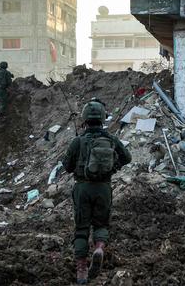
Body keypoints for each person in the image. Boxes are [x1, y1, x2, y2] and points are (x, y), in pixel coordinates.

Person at [62, 99, 132, 285]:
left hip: (83, 188)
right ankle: (99, 247)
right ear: (102, 118)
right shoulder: (111, 139)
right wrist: (113, 168)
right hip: (103, 188)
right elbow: (127, 157)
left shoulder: (78, 141)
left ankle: (82, 270)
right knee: (101, 225)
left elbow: (67, 167)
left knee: (81, 229)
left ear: (85, 119)